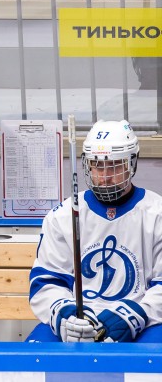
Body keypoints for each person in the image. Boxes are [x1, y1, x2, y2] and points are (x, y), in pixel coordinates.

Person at [27, 119, 162, 343]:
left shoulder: (157, 213)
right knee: (31, 360)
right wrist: (64, 314)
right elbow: (47, 281)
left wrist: (136, 315)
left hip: (144, 322)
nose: (106, 176)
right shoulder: (62, 216)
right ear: (87, 165)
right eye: (98, 165)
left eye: (115, 165)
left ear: (132, 163)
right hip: (79, 324)